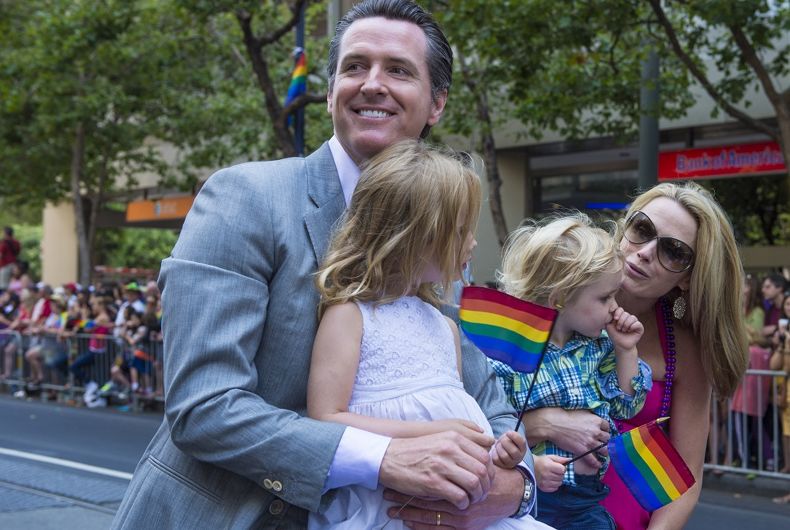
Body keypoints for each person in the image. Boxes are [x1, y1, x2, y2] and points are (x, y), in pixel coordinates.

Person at [112, 2, 535, 528]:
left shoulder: (440, 234)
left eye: (398, 70)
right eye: (355, 67)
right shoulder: (245, 196)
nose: (372, 84)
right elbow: (205, 407)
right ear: (331, 90)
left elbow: (486, 401)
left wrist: (512, 489)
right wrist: (383, 458)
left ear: (437, 104)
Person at [306, 140, 548, 530]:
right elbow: (325, 418)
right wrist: (432, 433)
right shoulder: (350, 316)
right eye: (460, 231)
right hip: (385, 504)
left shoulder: (445, 326)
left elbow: (461, 418)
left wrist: (500, 451)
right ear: (412, 236)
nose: (472, 242)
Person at [520, 182, 749, 529]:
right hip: (529, 512)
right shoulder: (548, 305)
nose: (645, 252)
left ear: (688, 278)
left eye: (673, 251)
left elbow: (686, 480)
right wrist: (543, 423)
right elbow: (484, 422)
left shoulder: (685, 350)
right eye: (642, 229)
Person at [492, 213, 651, 529]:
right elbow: (493, 428)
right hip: (533, 497)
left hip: (585, 500)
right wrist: (532, 463)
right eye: (605, 297)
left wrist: (626, 350)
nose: (614, 307)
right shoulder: (509, 354)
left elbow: (628, 405)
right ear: (561, 299)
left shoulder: (598, 347)